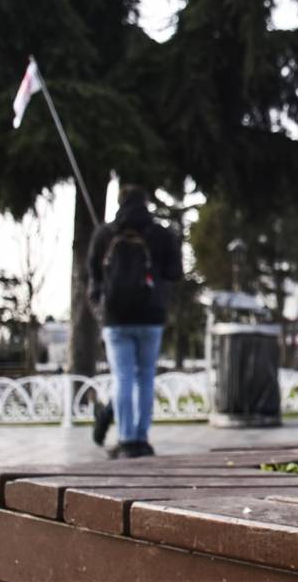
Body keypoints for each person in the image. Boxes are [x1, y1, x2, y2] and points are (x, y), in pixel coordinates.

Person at [87, 185, 182, 458]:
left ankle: (127, 439)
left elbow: (92, 276)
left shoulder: (105, 234)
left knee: (123, 377)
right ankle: (141, 437)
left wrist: (101, 308)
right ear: (146, 202)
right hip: (151, 317)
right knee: (145, 378)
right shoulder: (160, 235)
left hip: (116, 319)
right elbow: (174, 272)